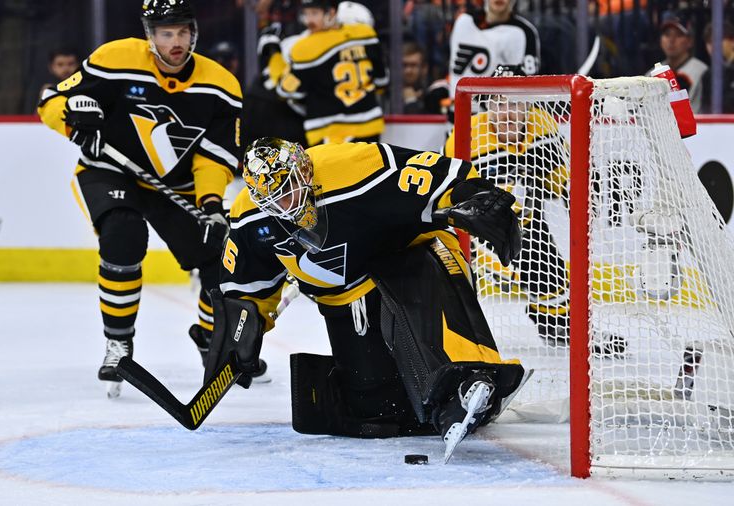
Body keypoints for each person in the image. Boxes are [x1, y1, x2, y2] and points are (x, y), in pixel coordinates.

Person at [205, 137, 525, 460]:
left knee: (415, 273)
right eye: (276, 199)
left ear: (304, 166)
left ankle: (468, 377)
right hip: (349, 293)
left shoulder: (354, 166)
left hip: (414, 253)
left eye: (290, 187)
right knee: (377, 408)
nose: (287, 203)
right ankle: (438, 399)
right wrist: (245, 319)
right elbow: (247, 287)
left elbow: (437, 173)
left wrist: (473, 195)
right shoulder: (249, 217)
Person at [37, 0, 251, 396]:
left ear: (194, 34)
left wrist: (209, 203)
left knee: (218, 256)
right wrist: (74, 122)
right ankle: (119, 345)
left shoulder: (220, 84)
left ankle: (212, 339)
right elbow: (51, 100)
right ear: (149, 34)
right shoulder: (115, 59)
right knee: (123, 235)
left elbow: (214, 157)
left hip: (180, 185)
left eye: (183, 32)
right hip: (112, 170)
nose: (176, 42)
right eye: (166, 33)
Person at [444, 64, 571, 347]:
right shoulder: (466, 135)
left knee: (549, 267)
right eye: (499, 102)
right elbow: (447, 196)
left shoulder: (544, 128)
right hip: (474, 235)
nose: (507, 112)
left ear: (529, 105)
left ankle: (555, 323)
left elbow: (560, 182)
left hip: (528, 227)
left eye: (515, 102)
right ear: (486, 105)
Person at [277, 0, 388, 146]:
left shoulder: (304, 48)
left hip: (331, 132)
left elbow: (287, 92)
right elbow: (382, 82)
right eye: (306, 13)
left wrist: (274, 58)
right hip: (370, 125)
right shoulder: (365, 34)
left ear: (332, 12)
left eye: (315, 13)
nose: (309, 20)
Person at [448, 0, 540, 102]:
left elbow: (529, 84)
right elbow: (455, 69)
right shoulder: (463, 21)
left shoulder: (524, 32)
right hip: (455, 111)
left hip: (493, 114)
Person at [654, 17, 707, 113]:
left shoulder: (701, 71)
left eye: (678, 35)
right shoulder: (652, 73)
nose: (671, 40)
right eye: (667, 35)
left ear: (690, 41)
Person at [701, 21, 734, 114]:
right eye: (709, 42)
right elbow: (706, 110)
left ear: (732, 41)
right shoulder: (708, 75)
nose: (712, 46)